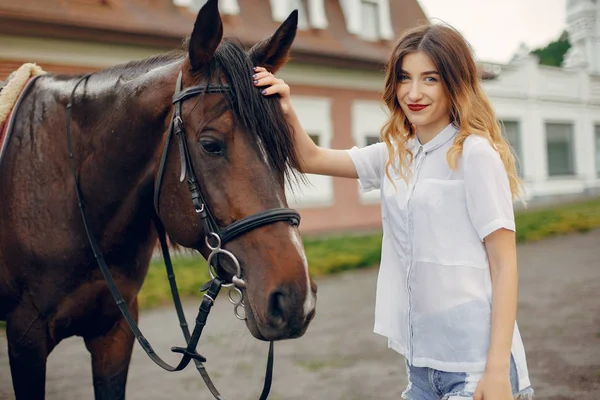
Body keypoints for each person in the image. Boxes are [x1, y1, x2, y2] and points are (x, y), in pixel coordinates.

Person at [252, 23, 534, 400]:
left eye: (430, 79)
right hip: (421, 370)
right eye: (405, 78)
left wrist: (497, 371)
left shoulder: (476, 154)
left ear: (455, 83)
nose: (413, 93)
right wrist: (284, 105)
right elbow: (309, 157)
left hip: (474, 363)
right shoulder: (394, 155)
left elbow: (504, 267)